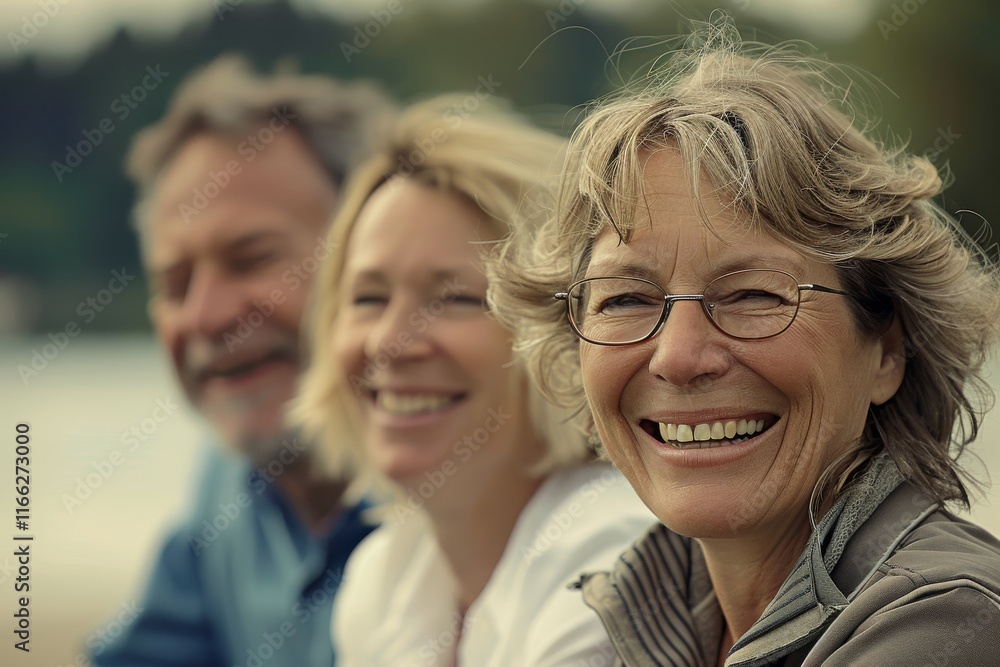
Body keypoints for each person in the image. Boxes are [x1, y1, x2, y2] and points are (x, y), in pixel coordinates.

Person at [486, 24, 1000, 667]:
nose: (677, 357)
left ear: (887, 352)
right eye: (626, 299)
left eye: (755, 296)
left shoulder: (952, 625)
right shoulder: (640, 615)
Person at [292, 94, 656, 666]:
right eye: (367, 297)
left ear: (563, 331)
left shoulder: (616, 552)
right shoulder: (386, 575)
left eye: (456, 299)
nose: (389, 341)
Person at [90, 55, 394, 667]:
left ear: (377, 252)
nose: (204, 316)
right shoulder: (227, 485)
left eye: (251, 258)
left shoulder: (466, 490)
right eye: (174, 284)